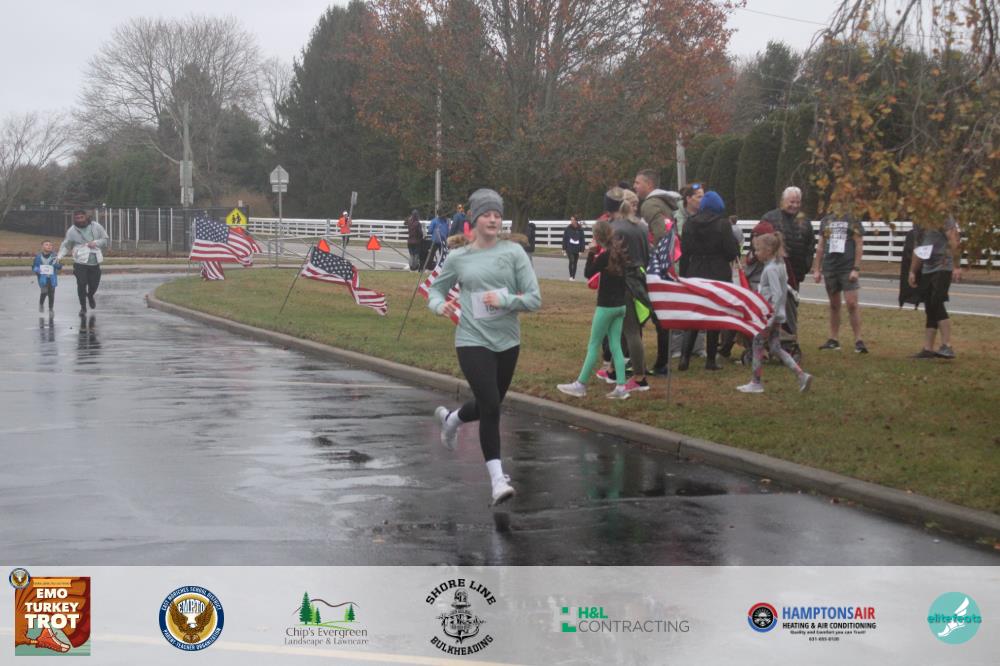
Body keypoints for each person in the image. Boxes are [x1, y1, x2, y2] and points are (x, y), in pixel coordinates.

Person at [429, 188, 541, 506]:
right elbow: (435, 291)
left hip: (507, 341)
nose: (493, 220)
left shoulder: (514, 253)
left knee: (488, 404)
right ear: (474, 219)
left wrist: (505, 300)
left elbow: (534, 299)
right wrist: (440, 306)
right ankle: (497, 480)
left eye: (497, 215)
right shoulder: (459, 257)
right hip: (471, 339)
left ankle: (452, 419)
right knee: (491, 405)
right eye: (487, 214)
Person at [557, 218, 630, 400]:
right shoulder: (619, 252)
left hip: (606, 306)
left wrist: (591, 253)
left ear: (597, 237)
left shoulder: (604, 256)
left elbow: (588, 273)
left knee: (593, 345)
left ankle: (581, 384)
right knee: (616, 345)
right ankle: (621, 386)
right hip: (621, 305)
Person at [737, 233, 813, 394]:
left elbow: (777, 293)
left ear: (769, 250)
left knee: (757, 343)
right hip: (777, 315)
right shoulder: (779, 265)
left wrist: (771, 317)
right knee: (775, 348)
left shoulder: (771, 269)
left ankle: (756, 382)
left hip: (771, 316)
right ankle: (801, 375)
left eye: (758, 250)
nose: (756, 253)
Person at [677, 191, 740, 371]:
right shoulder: (723, 224)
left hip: (695, 270)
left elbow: (684, 252)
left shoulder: (689, 223)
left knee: (694, 315)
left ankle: (684, 357)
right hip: (718, 272)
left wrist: (684, 276)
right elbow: (731, 252)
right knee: (714, 315)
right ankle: (711, 360)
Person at [634, 169, 682, 375]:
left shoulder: (650, 205)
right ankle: (662, 361)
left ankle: (655, 363)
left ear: (649, 184)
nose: (635, 186)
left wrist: (650, 255)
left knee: (648, 315)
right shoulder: (664, 203)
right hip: (669, 264)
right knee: (661, 315)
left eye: (638, 183)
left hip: (655, 267)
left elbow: (660, 234)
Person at [609, 187, 651, 393]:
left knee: (631, 331)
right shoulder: (642, 227)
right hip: (640, 278)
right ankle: (613, 370)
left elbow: (611, 258)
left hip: (623, 280)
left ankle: (639, 377)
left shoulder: (616, 228)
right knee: (626, 330)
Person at [812, 212, 868, 353]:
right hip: (830, 267)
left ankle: (859, 340)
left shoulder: (853, 219)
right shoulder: (826, 220)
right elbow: (821, 246)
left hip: (847, 267)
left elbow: (859, 244)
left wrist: (856, 268)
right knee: (834, 305)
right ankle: (833, 339)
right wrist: (817, 269)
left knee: (851, 303)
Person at [908, 218, 962, 359]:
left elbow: (953, 239)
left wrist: (956, 266)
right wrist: (913, 271)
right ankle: (928, 349)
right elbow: (918, 248)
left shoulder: (942, 215)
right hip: (927, 268)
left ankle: (947, 346)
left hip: (943, 265)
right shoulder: (918, 220)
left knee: (936, 302)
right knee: (930, 307)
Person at [57, 210, 108, 315]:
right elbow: (66, 245)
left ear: (86, 217)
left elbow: (105, 240)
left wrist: (96, 243)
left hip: (94, 262)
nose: (80, 220)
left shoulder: (96, 226)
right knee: (81, 284)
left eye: (81, 217)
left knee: (94, 285)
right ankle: (83, 307)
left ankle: (90, 295)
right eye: (77, 218)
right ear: (74, 219)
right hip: (80, 263)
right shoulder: (72, 231)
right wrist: (59, 256)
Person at [762, 187, 815, 286]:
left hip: (796, 274)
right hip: (774, 272)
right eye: (792, 202)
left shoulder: (805, 221)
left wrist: (806, 266)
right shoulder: (769, 218)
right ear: (783, 201)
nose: (795, 205)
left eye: (798, 202)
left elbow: (810, 246)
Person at [32, 240, 62, 314]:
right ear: (42, 246)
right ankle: (41, 304)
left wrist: (57, 264)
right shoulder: (38, 257)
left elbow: (59, 267)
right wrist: (37, 270)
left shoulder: (55, 257)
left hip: (52, 278)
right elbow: (34, 267)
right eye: (46, 244)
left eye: (50, 245)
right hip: (42, 278)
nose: (49, 246)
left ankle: (51, 309)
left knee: (51, 294)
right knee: (44, 291)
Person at [561, 215, 586, 280]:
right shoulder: (568, 228)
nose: (572, 221)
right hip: (569, 247)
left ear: (576, 220)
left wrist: (582, 250)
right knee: (571, 260)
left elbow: (582, 239)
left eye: (573, 220)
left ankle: (573, 277)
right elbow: (564, 238)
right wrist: (563, 248)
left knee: (575, 263)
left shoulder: (580, 229)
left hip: (577, 248)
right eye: (571, 219)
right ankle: (570, 276)